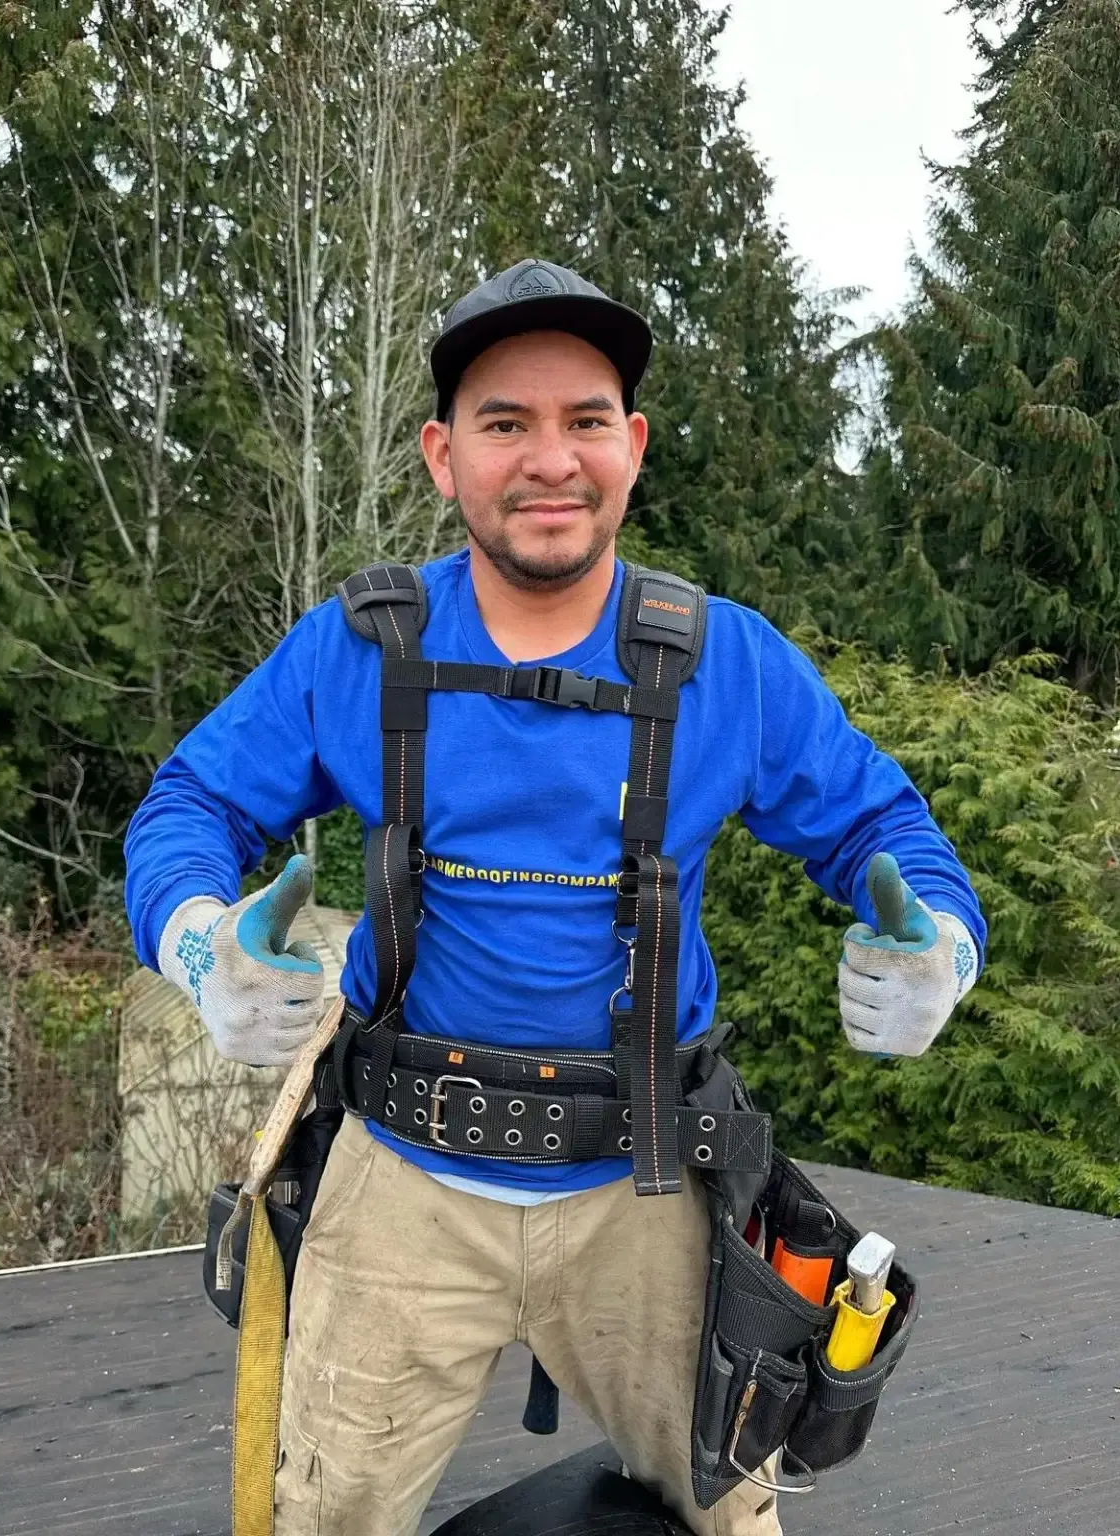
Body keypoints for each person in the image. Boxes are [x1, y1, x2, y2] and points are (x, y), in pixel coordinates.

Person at [124, 258, 986, 1536]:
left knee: (727, 1513)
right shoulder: (360, 645)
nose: (549, 460)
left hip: (644, 1189)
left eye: (584, 420)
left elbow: (881, 825)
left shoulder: (723, 663)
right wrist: (201, 948)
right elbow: (187, 805)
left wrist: (940, 952)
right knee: (320, 1518)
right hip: (399, 1184)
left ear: (630, 446)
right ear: (440, 454)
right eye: (504, 423)